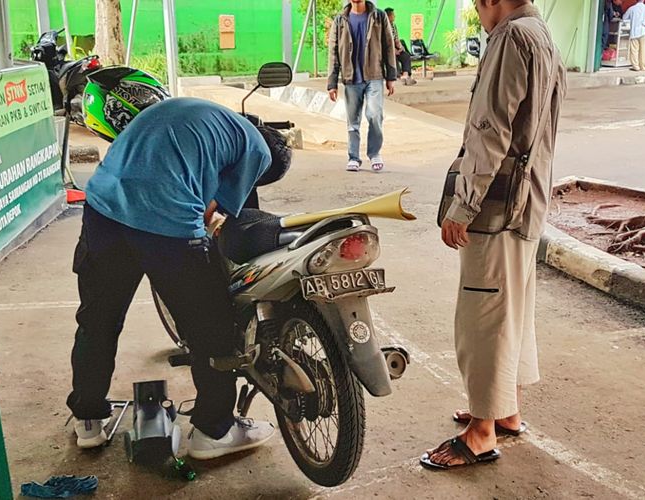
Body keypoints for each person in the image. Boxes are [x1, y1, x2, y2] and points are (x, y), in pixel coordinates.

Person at [66, 96, 292, 460]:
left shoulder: (198, 113)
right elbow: (220, 218)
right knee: (211, 327)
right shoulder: (259, 151)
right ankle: (214, 431)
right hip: (165, 219)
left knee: (98, 320)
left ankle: (88, 419)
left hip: (103, 209)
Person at [425, 0, 566, 469]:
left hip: (498, 205)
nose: (479, 15)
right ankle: (505, 409)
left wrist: (463, 205)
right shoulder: (540, 33)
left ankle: (481, 432)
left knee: (483, 316)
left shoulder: (510, 37)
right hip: (527, 203)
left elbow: (490, 131)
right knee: (512, 310)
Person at [327, 0, 397, 173]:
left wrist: (391, 76)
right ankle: (353, 157)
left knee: (375, 115)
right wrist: (332, 82)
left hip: (374, 76)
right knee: (353, 122)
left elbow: (389, 46)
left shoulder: (379, 16)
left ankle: (374, 153)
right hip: (351, 78)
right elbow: (333, 52)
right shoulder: (340, 20)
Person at [385, 7, 417, 86]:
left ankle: (406, 76)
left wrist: (400, 47)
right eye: (393, 15)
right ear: (388, 16)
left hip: (393, 47)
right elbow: (384, 42)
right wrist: (393, 50)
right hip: (386, 49)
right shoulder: (383, 26)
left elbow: (396, 39)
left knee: (405, 56)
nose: (394, 16)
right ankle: (398, 76)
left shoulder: (393, 26)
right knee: (392, 56)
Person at [623, 0, 645, 71]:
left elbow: (624, 18)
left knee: (634, 50)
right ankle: (643, 66)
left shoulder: (631, 8)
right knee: (643, 50)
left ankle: (636, 66)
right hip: (644, 32)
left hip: (634, 32)